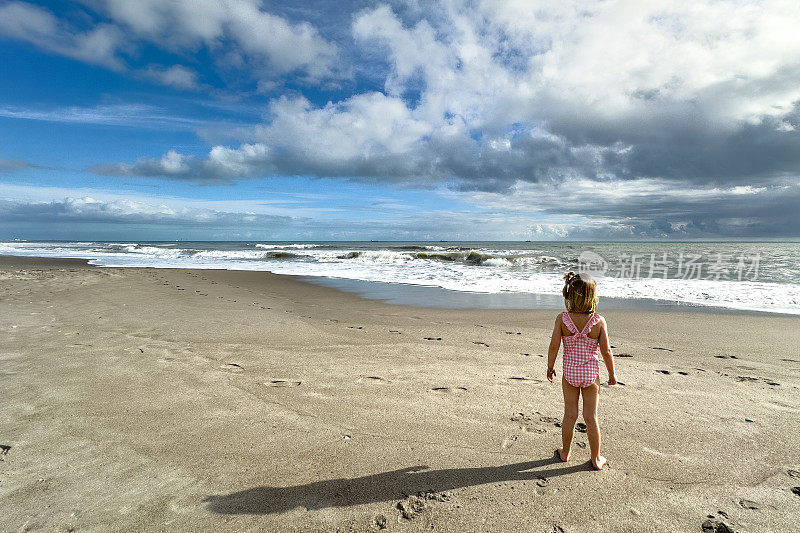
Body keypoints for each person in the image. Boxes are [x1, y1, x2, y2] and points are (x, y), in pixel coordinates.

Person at [547, 271, 617, 470]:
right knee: (591, 417)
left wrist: (550, 367)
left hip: (569, 374)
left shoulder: (562, 319)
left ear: (569, 296)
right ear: (592, 297)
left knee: (570, 415)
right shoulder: (598, 321)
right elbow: (606, 351)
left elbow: (554, 346)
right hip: (590, 375)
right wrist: (612, 374)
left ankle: (566, 452)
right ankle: (595, 459)